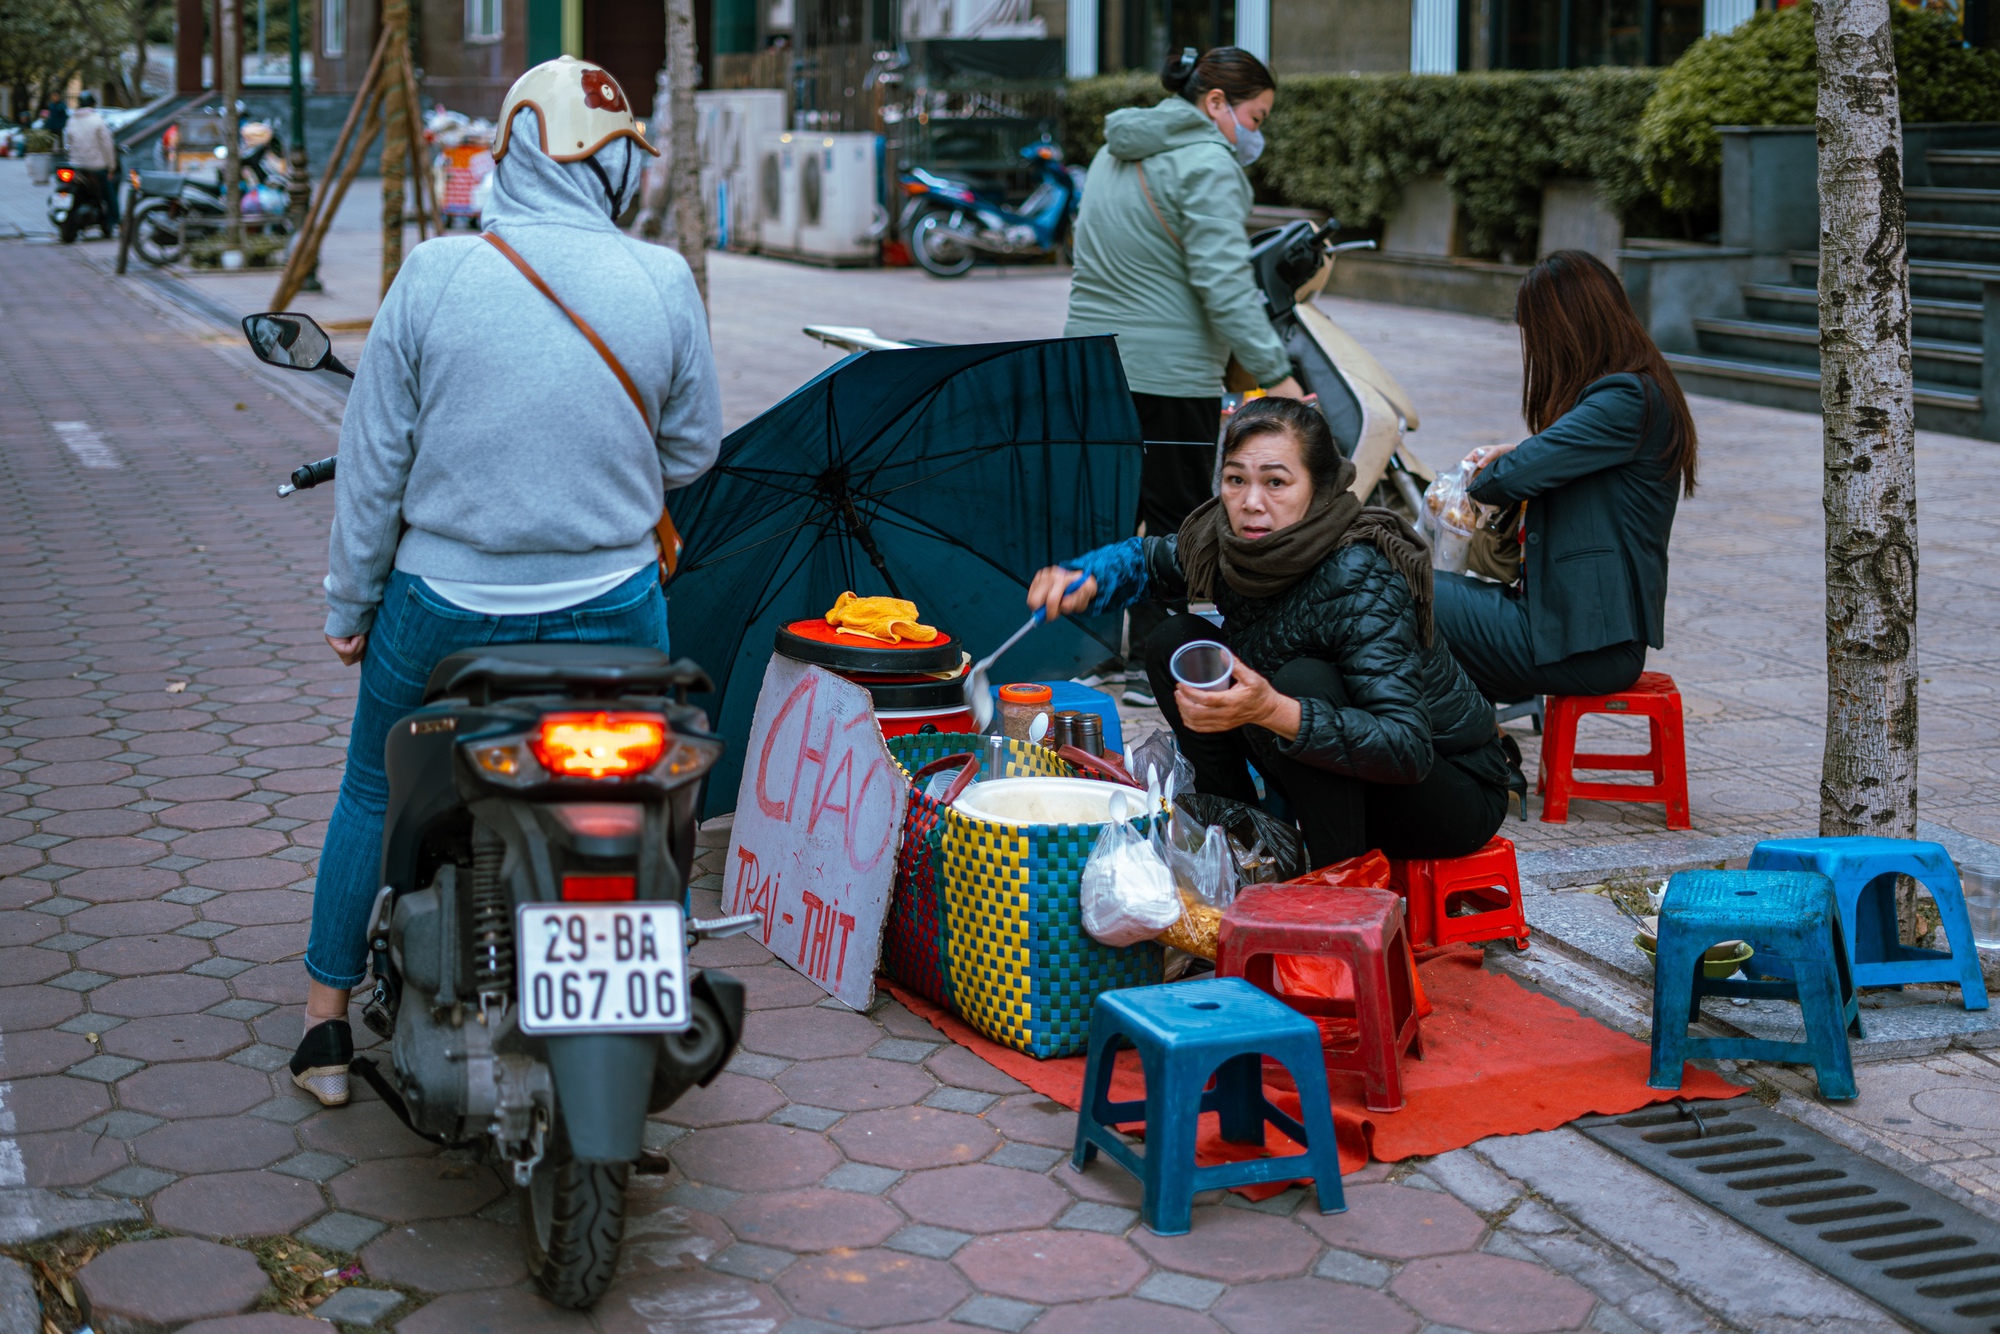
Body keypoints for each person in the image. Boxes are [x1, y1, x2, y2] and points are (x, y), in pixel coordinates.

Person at [288, 56, 723, 1107]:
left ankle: (325, 1028)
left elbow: (375, 468)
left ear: (517, 153)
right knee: (649, 779)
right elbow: (693, 449)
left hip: (443, 608)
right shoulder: (661, 278)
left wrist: (350, 609)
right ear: (608, 169)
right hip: (615, 602)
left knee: (369, 784)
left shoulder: (435, 275)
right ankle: (646, 961)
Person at [1027, 398, 1514, 869]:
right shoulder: (1225, 543)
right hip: (1340, 767)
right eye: (1236, 480)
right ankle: (1241, 841)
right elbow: (1150, 559)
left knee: (1302, 681)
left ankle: (1333, 891)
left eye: (1276, 483)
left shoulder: (1360, 573)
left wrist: (1274, 710)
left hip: (1445, 792)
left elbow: (1405, 747)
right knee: (1175, 640)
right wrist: (1088, 576)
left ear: (1319, 488)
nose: (1251, 503)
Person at [1064, 45, 1304, 694]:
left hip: (1089, 361)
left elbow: (1085, 250)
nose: (1257, 133)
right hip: (1168, 372)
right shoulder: (1208, 164)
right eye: (1256, 117)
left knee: (1108, 509)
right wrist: (1276, 376)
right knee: (1177, 522)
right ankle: (1154, 660)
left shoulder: (1115, 149)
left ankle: (1090, 650)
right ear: (1217, 104)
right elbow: (1224, 283)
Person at [1432, 250, 1699, 705]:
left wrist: (1500, 464)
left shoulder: (1626, 397)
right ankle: (1460, 742)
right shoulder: (1636, 393)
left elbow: (1502, 481)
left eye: (1536, 336)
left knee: (1397, 583)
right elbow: (1552, 459)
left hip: (1586, 647)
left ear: (1565, 332)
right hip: (1570, 633)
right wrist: (1520, 450)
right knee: (1405, 610)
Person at [63, 92, 117, 232]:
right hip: (96, 167)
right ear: (93, 104)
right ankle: (114, 221)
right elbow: (107, 145)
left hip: (76, 167)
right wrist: (111, 167)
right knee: (109, 193)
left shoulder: (71, 120)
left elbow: (67, 143)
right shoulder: (98, 120)